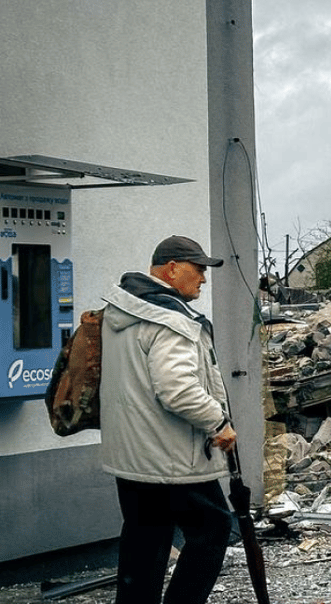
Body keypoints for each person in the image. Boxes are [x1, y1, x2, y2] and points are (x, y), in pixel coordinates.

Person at [100, 235, 237, 604]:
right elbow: (177, 390)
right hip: (170, 456)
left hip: (131, 457)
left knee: (145, 538)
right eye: (199, 270)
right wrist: (218, 423)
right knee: (214, 527)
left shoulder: (121, 312)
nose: (204, 279)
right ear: (173, 269)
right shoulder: (170, 319)